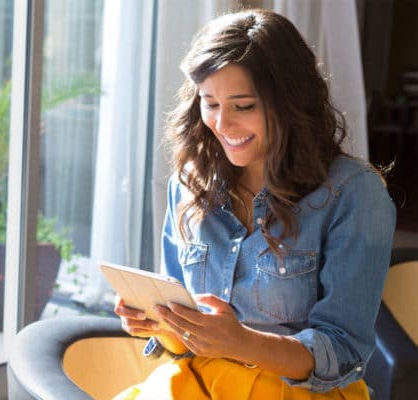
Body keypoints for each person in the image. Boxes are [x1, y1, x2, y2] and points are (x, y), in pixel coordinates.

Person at [114, 8, 396, 400]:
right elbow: (186, 340)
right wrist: (161, 322)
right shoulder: (191, 184)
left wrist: (240, 342)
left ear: (290, 103)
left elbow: (345, 352)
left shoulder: (354, 194)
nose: (222, 125)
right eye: (209, 103)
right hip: (195, 385)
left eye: (243, 106)